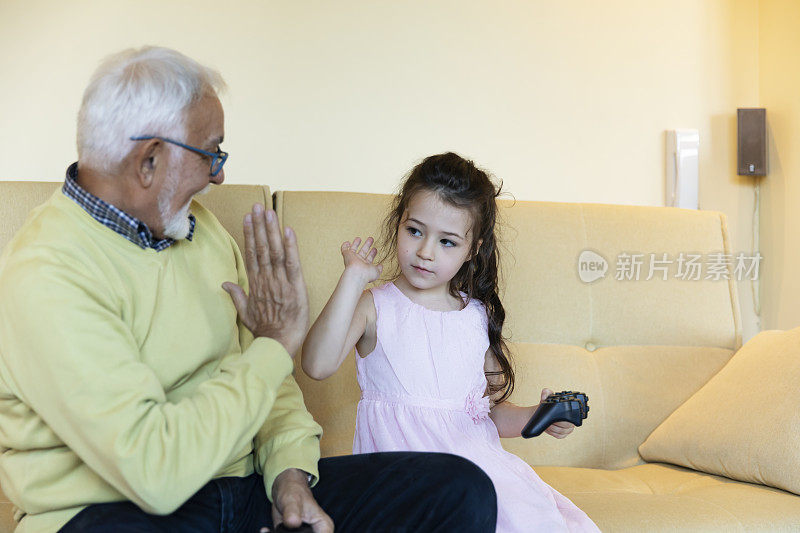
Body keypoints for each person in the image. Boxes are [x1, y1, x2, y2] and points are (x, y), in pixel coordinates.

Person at [0, 47, 498, 533]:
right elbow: (154, 472)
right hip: (115, 510)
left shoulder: (203, 232)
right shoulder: (48, 273)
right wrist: (274, 345)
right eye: (211, 153)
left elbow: (273, 388)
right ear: (149, 161)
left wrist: (289, 476)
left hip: (243, 492)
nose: (220, 173)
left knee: (459, 488)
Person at [301, 152, 600, 532]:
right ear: (398, 223)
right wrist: (353, 279)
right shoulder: (375, 306)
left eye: (447, 242)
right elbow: (316, 365)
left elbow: (485, 412)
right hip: (404, 481)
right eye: (415, 231)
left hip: (476, 470)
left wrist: (535, 417)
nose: (425, 252)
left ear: (472, 250)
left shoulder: (476, 317)